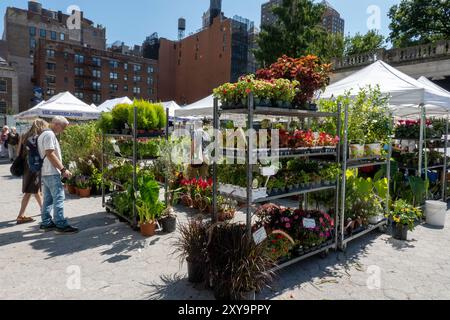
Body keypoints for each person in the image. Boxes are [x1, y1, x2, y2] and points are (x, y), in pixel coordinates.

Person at [38, 116, 78, 234]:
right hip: (51, 171)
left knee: (48, 199)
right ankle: (60, 224)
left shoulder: (43, 134)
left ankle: (46, 222)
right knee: (59, 197)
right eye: (63, 127)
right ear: (57, 124)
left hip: (45, 171)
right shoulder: (49, 135)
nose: (63, 130)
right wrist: (63, 169)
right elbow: (50, 154)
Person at [16, 120, 48, 225]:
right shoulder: (38, 137)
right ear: (41, 126)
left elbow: (18, 153)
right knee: (30, 190)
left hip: (26, 165)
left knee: (34, 189)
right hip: (34, 165)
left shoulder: (23, 136)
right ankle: (21, 215)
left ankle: (43, 210)